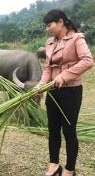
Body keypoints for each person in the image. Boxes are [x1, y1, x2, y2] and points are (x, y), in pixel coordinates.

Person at [38, 9, 94, 176]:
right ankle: (54, 165)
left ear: (61, 22)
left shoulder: (77, 38)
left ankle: (69, 169)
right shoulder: (49, 42)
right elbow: (48, 69)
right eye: (46, 26)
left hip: (71, 92)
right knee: (53, 129)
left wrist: (64, 76)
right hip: (52, 92)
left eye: (49, 25)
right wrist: (40, 86)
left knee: (69, 130)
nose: (47, 29)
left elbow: (88, 60)